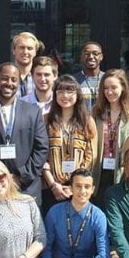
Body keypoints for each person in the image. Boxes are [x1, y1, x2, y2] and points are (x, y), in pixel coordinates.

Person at [0, 63, 49, 202]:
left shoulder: (33, 112)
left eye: (14, 79)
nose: (9, 83)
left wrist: (20, 177)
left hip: (26, 189)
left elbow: (41, 149)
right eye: (4, 78)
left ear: (19, 82)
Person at [41, 75, 97, 213]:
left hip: (79, 190)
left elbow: (91, 156)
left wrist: (75, 185)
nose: (65, 95)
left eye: (70, 91)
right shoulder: (46, 120)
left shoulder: (87, 121)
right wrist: (53, 185)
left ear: (77, 94)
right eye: (60, 91)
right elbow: (42, 156)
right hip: (53, 189)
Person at [90, 69, 129, 207]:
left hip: (122, 171)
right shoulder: (96, 111)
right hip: (99, 170)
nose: (109, 92)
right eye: (105, 88)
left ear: (123, 87)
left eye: (114, 87)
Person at [74, 41, 104, 110]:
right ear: (81, 57)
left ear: (101, 57)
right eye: (87, 53)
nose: (91, 57)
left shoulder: (108, 78)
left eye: (95, 53)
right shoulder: (73, 80)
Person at [12, 31, 41, 97]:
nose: (25, 52)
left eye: (29, 48)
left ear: (35, 52)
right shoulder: (4, 77)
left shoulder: (41, 78)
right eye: (22, 47)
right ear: (14, 50)